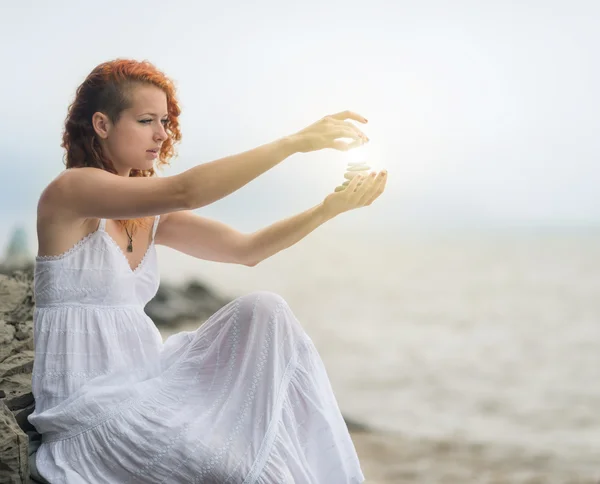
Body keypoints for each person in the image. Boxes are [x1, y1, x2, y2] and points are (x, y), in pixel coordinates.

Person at [28, 58, 387, 484]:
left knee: (266, 312)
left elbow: (247, 250)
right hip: (90, 416)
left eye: (164, 120)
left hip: (147, 383)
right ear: (102, 124)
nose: (161, 134)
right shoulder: (71, 191)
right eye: (146, 120)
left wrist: (328, 210)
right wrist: (296, 142)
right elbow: (186, 190)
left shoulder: (151, 218)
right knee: (234, 469)